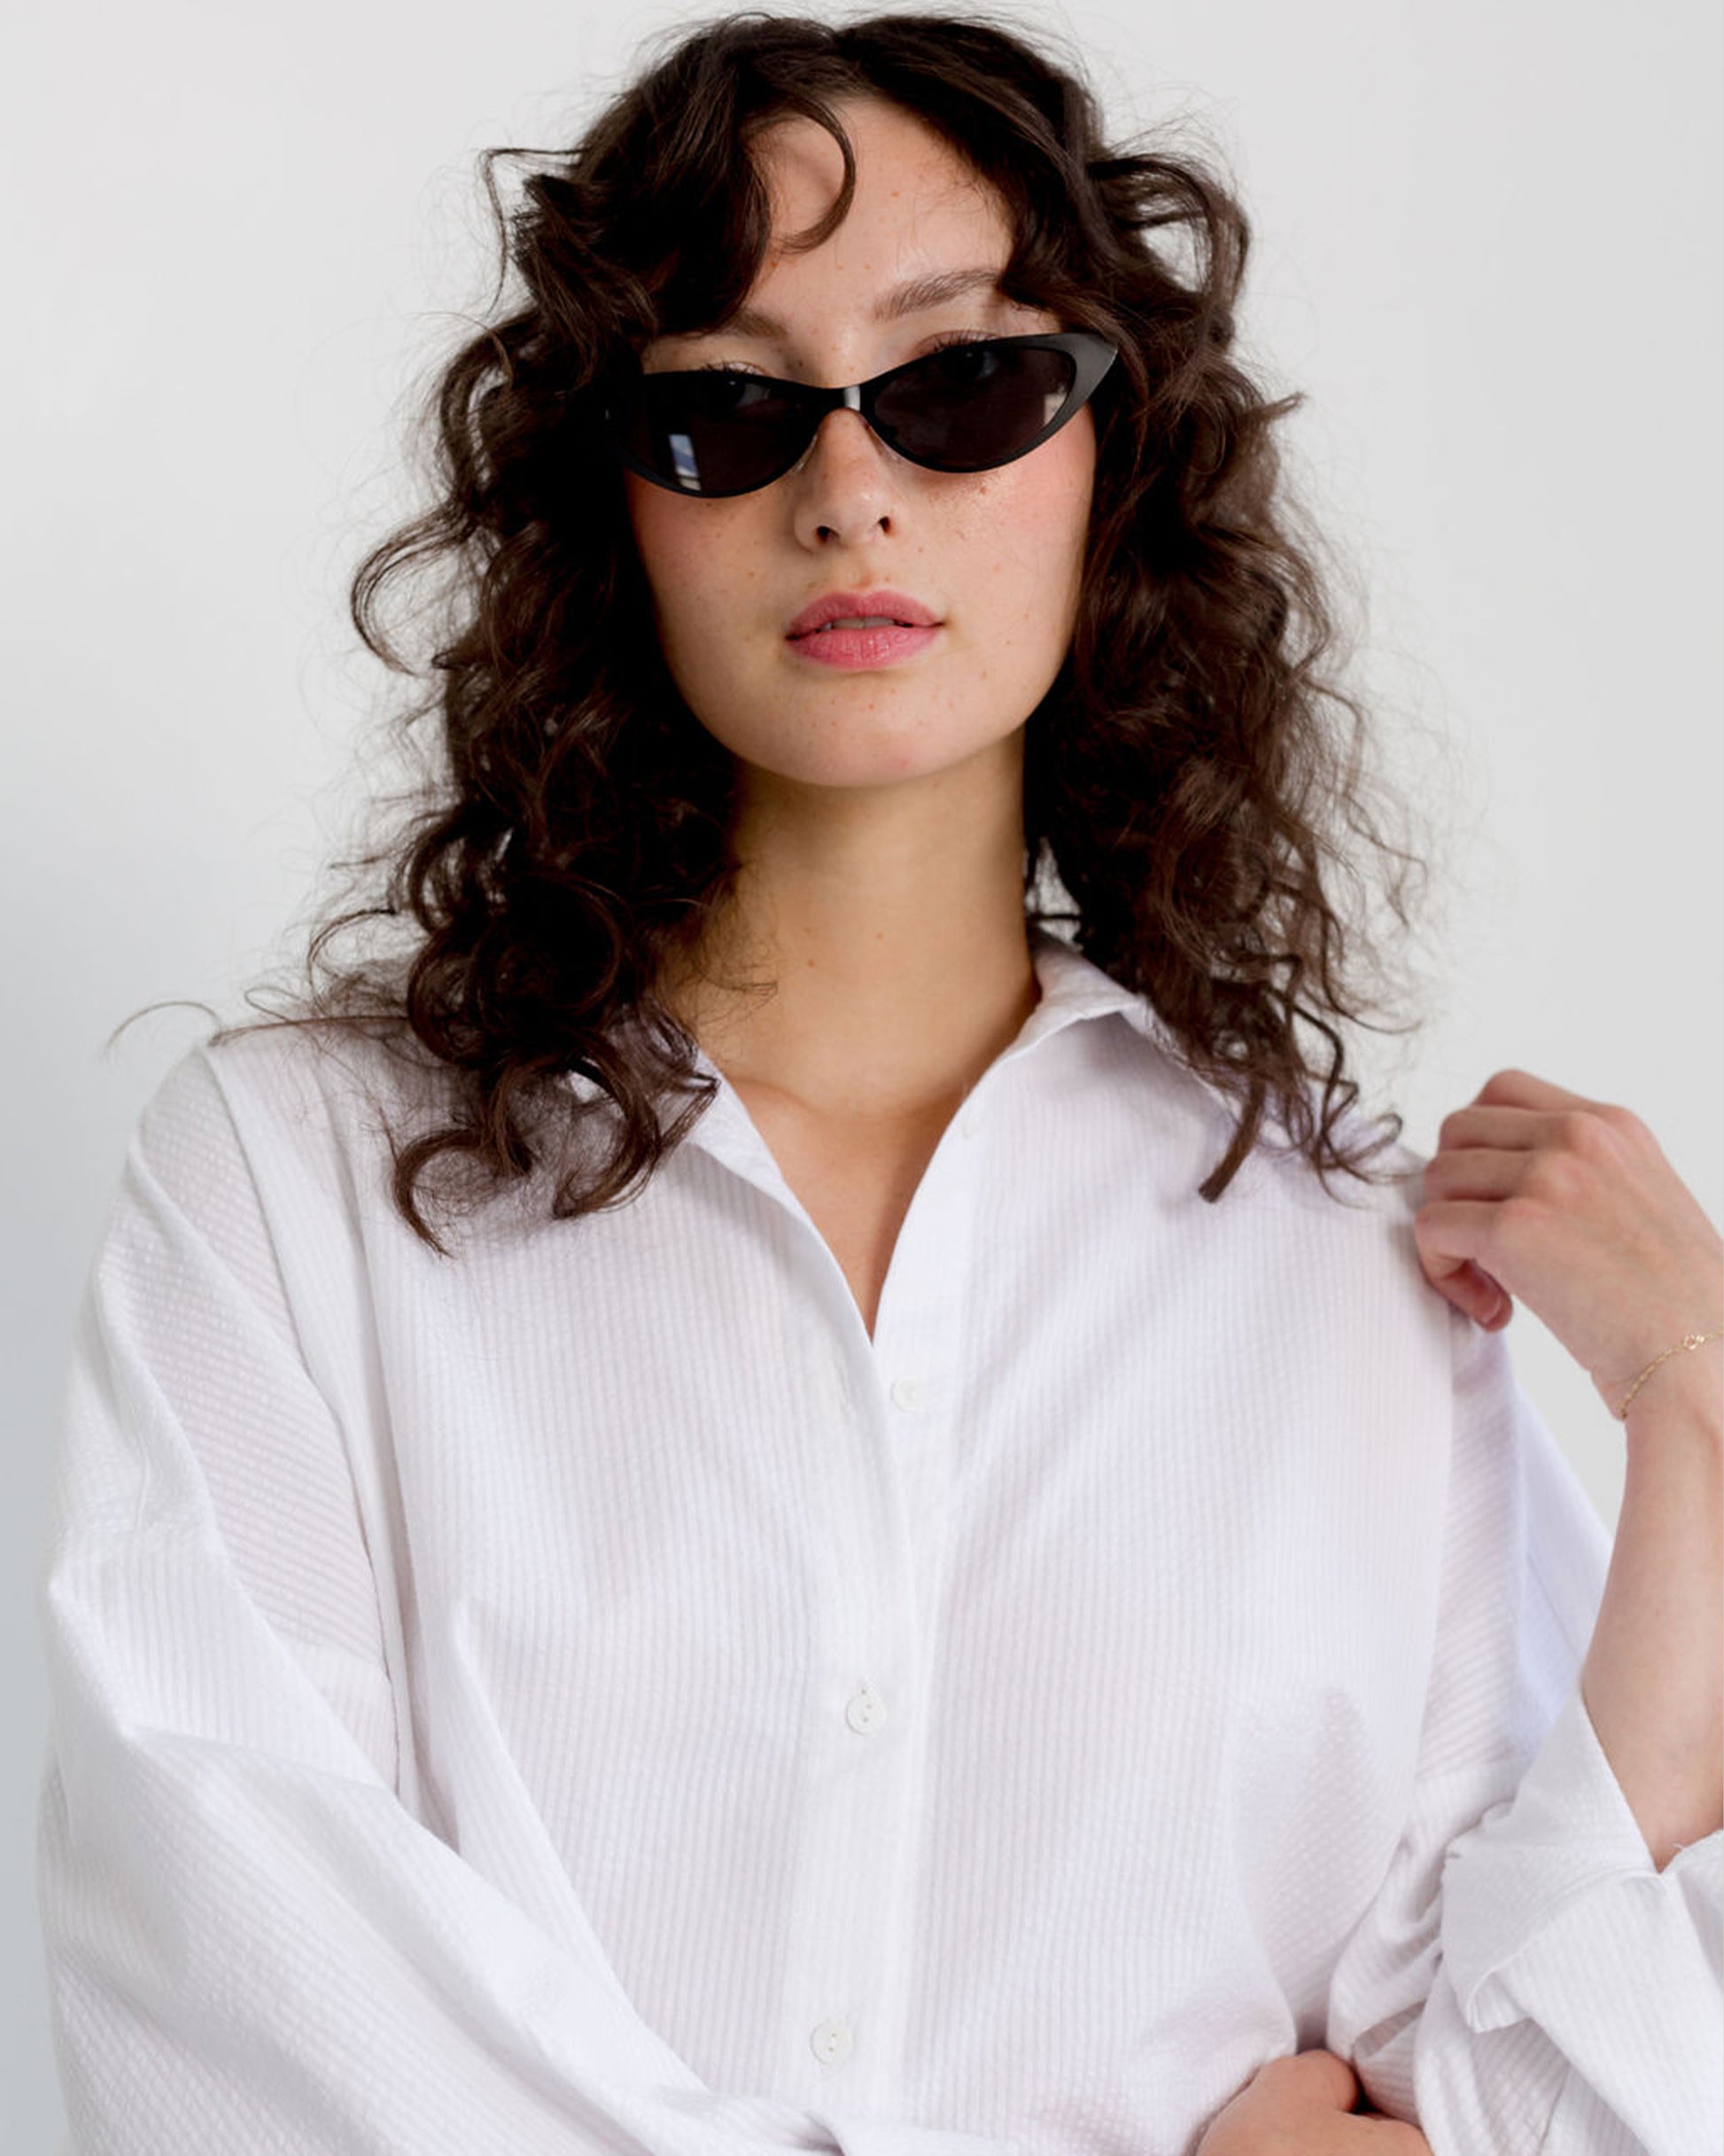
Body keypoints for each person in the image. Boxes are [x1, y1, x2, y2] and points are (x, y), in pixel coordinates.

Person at [35, 11, 1721, 2153]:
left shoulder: (1353, 1264)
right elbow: (243, 2038)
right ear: (614, 504)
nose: (846, 492)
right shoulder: (295, 1186)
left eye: (962, 383)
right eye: (725, 409)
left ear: (1109, 460)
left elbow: (1564, 2111)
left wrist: (1697, 1394)